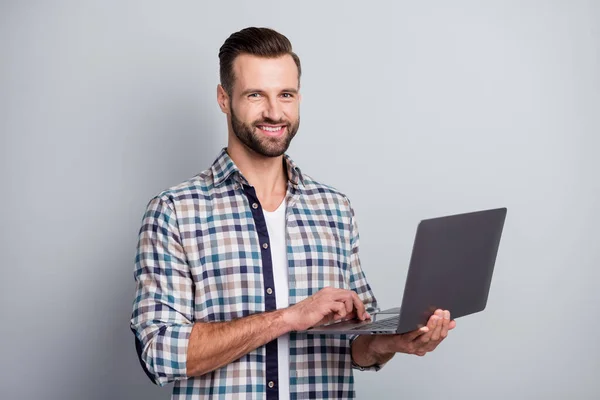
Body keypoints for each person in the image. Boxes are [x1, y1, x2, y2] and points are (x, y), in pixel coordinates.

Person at [130, 26, 456, 400]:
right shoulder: (174, 211)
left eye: (285, 95)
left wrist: (392, 342)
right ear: (224, 98)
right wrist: (288, 317)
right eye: (255, 95)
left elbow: (355, 343)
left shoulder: (334, 209)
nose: (274, 112)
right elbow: (159, 353)